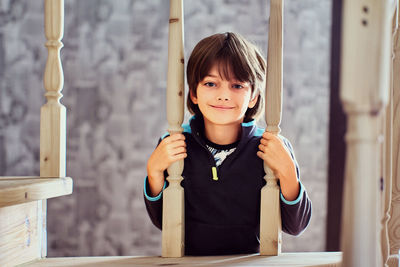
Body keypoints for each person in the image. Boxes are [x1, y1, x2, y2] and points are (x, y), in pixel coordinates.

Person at [144, 32, 312, 255]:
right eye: (211, 83)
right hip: (191, 262)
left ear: (253, 96)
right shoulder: (175, 142)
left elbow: (295, 226)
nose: (223, 95)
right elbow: (162, 222)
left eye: (237, 86)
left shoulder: (270, 146)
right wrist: (154, 173)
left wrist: (289, 173)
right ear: (193, 93)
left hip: (249, 262)